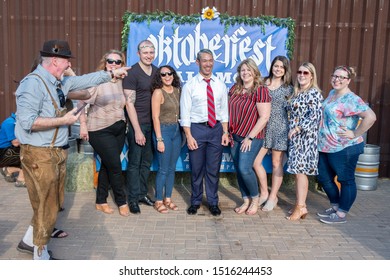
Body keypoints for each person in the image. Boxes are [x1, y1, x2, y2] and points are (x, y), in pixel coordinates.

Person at [15, 39, 128, 260]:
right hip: (39, 153)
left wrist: (113, 74)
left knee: (53, 203)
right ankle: (41, 255)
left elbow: (85, 80)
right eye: (66, 61)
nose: (68, 65)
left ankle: (29, 240)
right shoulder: (32, 84)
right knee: (46, 205)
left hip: (55, 151)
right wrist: (63, 121)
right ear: (55, 60)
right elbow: (28, 122)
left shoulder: (59, 83)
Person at [316, 65, 376, 224]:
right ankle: (336, 206)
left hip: (345, 146)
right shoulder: (332, 94)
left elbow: (371, 117)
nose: (337, 79)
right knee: (324, 178)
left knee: (346, 180)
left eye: (342, 77)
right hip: (325, 145)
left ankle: (342, 213)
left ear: (348, 80)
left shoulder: (352, 99)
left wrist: (355, 133)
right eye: (335, 76)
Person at [78, 50, 129, 217]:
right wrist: (83, 126)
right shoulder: (98, 80)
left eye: (117, 62)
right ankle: (122, 201)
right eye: (110, 61)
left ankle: (101, 200)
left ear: (122, 65)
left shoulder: (123, 81)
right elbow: (81, 101)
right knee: (115, 165)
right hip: (99, 129)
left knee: (108, 165)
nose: (114, 64)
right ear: (105, 62)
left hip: (119, 128)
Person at [180, 49, 229, 216]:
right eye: (204, 60)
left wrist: (225, 132)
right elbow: (185, 114)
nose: (208, 64)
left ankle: (213, 202)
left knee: (213, 169)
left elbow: (224, 112)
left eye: (210, 60)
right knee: (196, 169)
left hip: (216, 130)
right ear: (197, 63)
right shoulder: (190, 86)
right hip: (197, 129)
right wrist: (189, 136)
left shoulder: (220, 85)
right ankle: (195, 201)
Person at [228, 58, 271, 215]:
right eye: (242, 70)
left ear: (254, 72)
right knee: (238, 171)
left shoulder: (260, 90)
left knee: (244, 168)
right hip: (235, 136)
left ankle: (255, 198)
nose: (245, 73)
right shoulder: (235, 88)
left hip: (252, 137)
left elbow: (264, 117)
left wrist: (249, 137)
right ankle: (245, 199)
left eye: (248, 70)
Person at [253, 56, 293, 211]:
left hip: (280, 128)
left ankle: (273, 196)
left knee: (277, 163)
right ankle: (264, 192)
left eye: (282, 67)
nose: (278, 69)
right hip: (262, 127)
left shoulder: (289, 88)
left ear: (285, 70)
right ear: (272, 67)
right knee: (255, 161)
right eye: (276, 66)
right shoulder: (262, 83)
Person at [123, 40, 158, 214]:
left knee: (146, 162)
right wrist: (136, 129)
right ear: (138, 54)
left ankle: (143, 194)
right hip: (139, 124)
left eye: (151, 52)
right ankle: (133, 198)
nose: (149, 55)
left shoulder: (157, 71)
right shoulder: (133, 73)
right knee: (134, 163)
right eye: (145, 52)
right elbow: (129, 104)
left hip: (154, 124)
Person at [285, 62, 323, 221]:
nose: (301, 75)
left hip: (305, 138)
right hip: (295, 139)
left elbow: (315, 116)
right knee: (297, 172)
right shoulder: (297, 92)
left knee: (301, 173)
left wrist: (298, 129)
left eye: (306, 73)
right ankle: (301, 205)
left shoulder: (314, 93)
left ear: (312, 76)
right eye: (299, 72)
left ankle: (300, 206)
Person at [150, 65, 182, 213]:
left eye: (170, 73)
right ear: (159, 77)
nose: (167, 76)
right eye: (163, 75)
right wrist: (159, 139)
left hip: (176, 131)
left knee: (171, 168)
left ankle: (167, 198)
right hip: (163, 131)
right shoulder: (158, 92)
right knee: (163, 169)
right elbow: (155, 117)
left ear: (173, 75)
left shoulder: (177, 91)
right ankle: (158, 200)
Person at [0, 112, 25, 187]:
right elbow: (15, 142)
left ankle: (8, 170)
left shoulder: (15, 122)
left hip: (7, 150)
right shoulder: (10, 123)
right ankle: (21, 180)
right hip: (2, 153)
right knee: (30, 155)